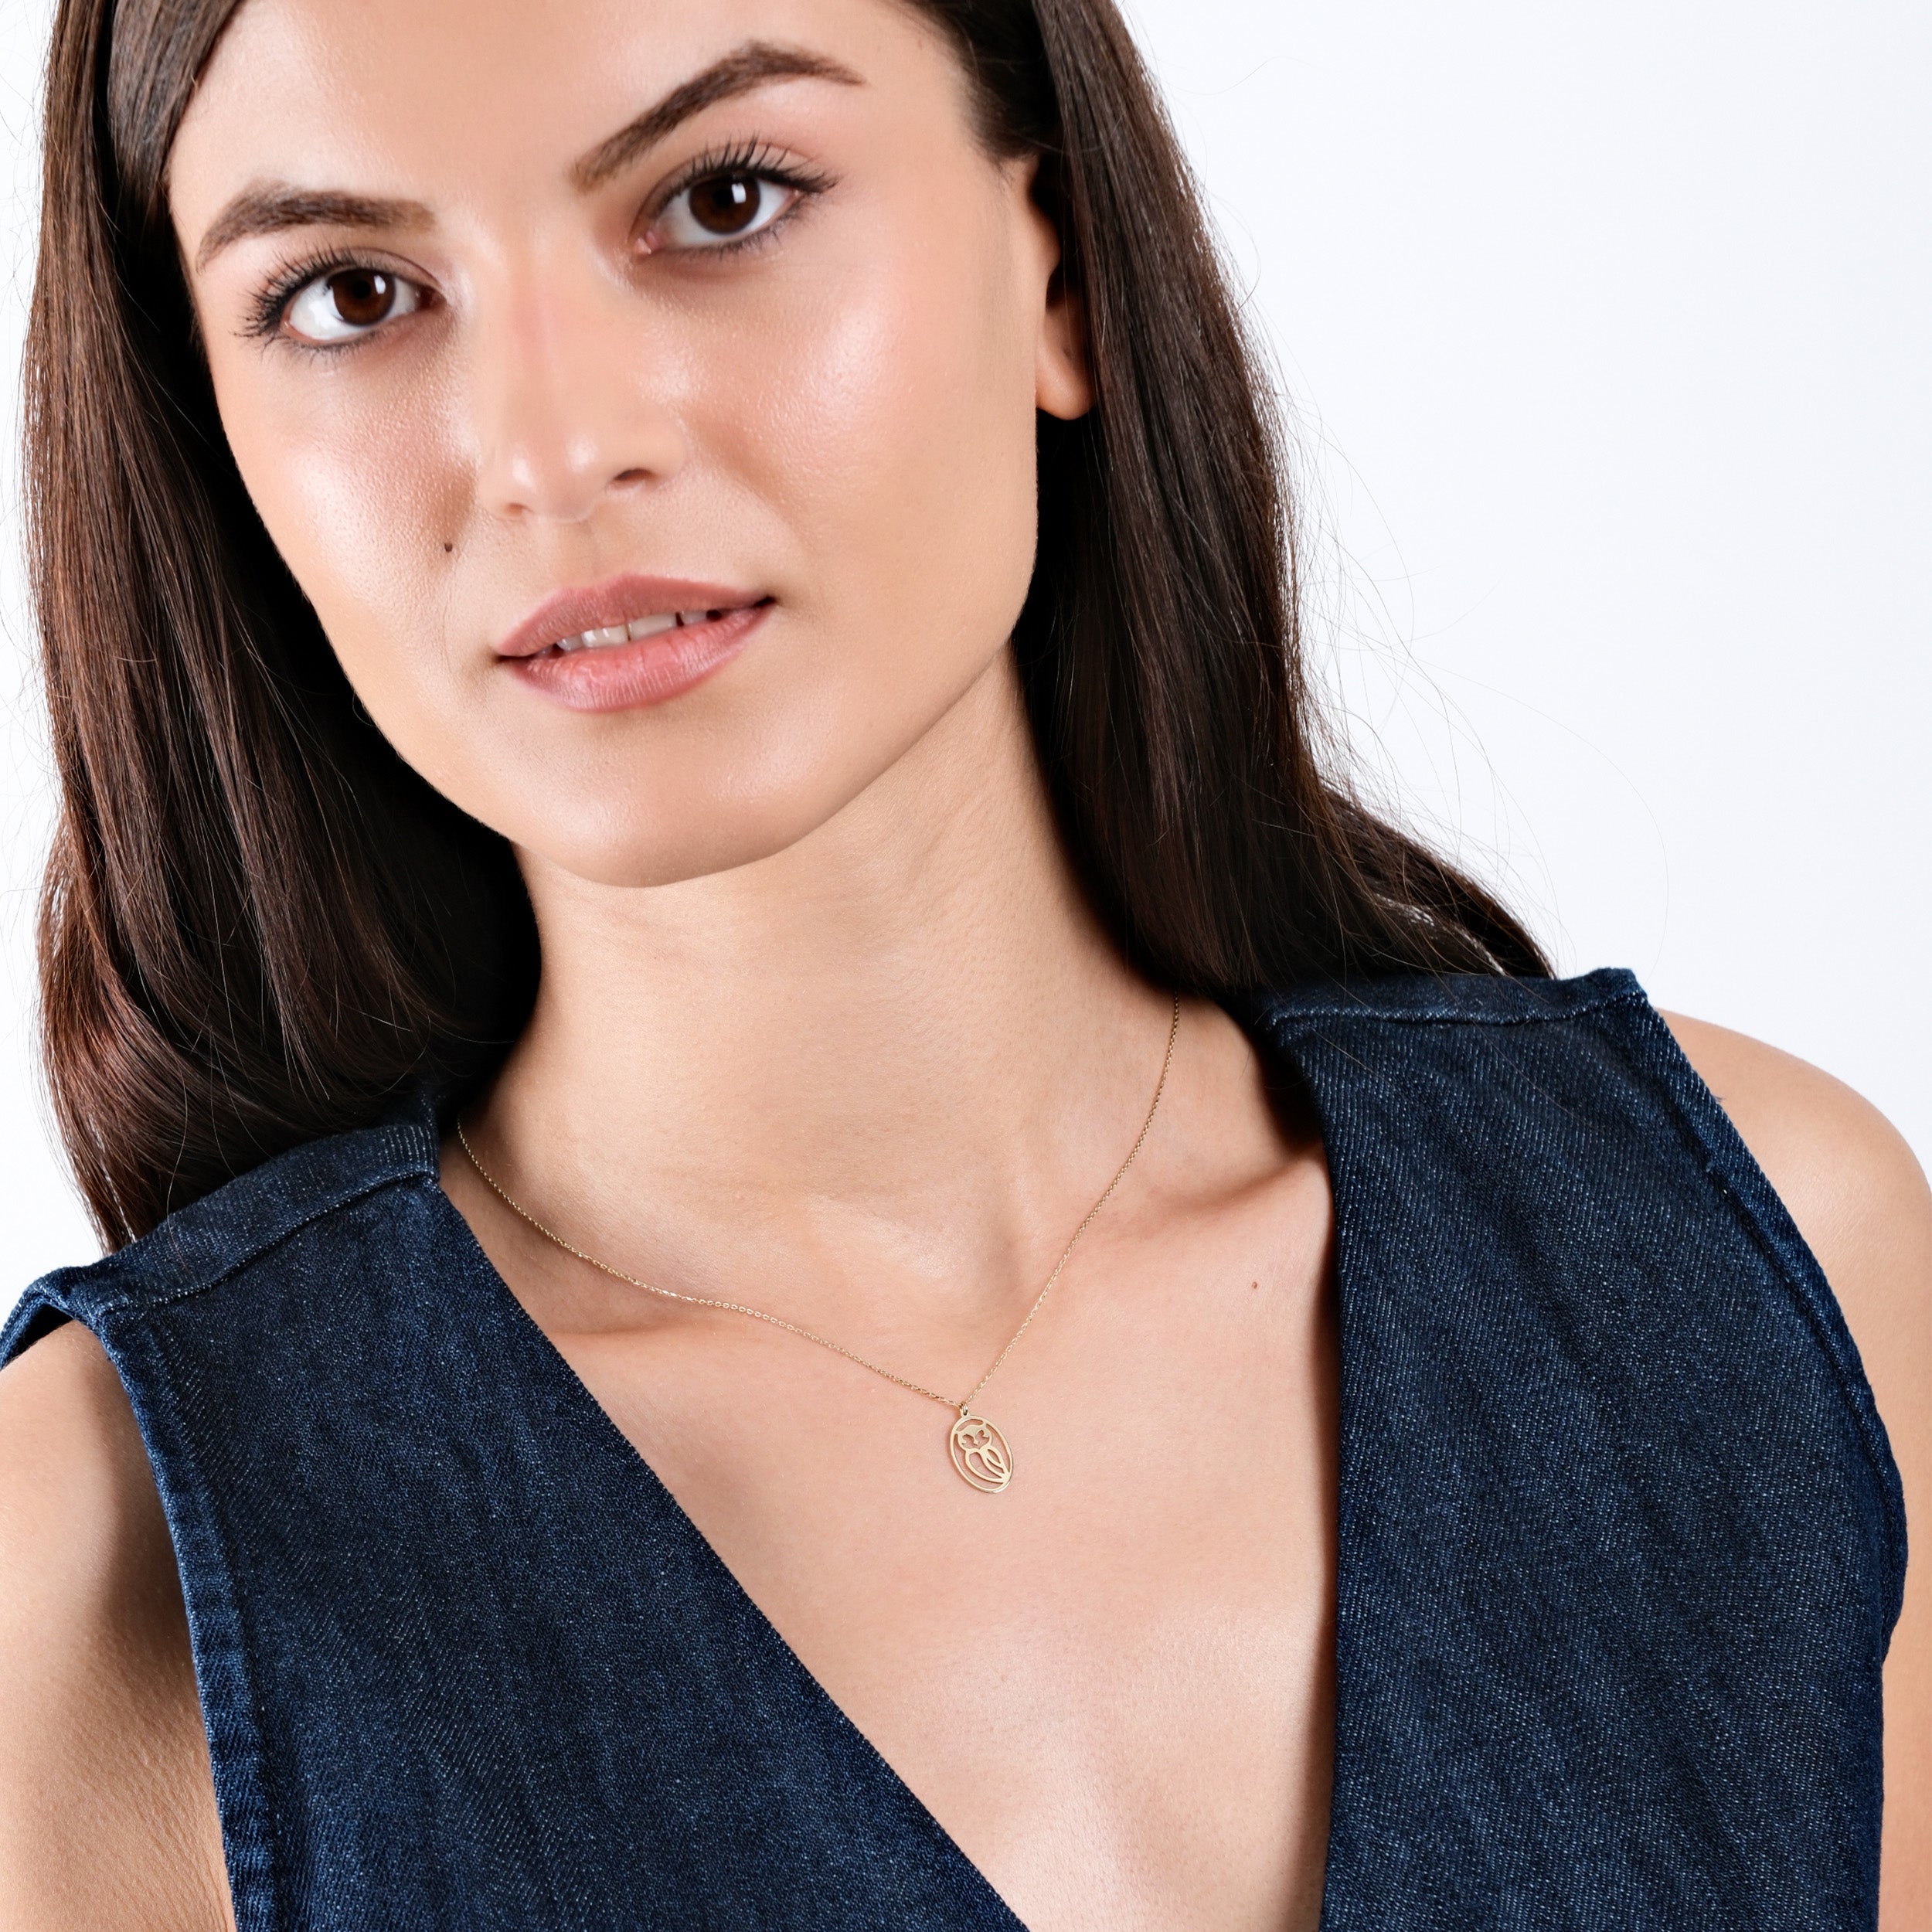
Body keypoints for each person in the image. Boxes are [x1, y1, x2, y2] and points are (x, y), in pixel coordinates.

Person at [0, 0, 1923, 1925]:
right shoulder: (84, 1583)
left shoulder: (1766, 1252)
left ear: (1060, 264)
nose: (553, 444)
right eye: (349, 295)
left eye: (721, 197)